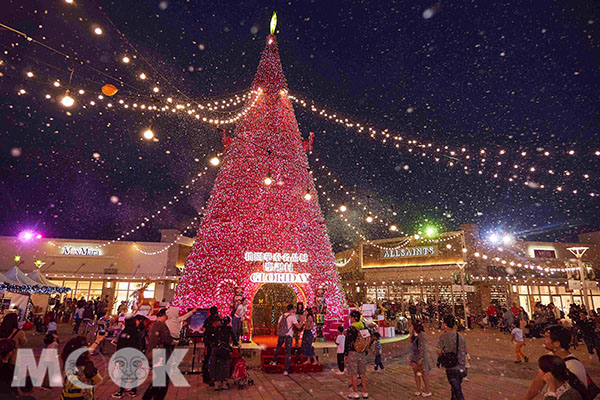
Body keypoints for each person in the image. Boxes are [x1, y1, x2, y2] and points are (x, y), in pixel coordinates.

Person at [524, 325, 588, 400]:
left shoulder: (573, 365)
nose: (544, 340)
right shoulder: (550, 357)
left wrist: (551, 391)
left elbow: (576, 395)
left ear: (557, 343)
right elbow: (538, 381)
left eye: (547, 337)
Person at [142, 308, 177, 400]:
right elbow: (167, 340)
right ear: (163, 315)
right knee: (162, 380)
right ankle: (152, 397)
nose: (167, 317)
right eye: (166, 315)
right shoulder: (162, 326)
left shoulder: (154, 325)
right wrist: (175, 342)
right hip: (161, 355)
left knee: (159, 378)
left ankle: (149, 397)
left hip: (154, 353)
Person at [60, 334, 105, 400]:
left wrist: (97, 341)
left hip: (66, 396)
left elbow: (86, 352)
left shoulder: (68, 361)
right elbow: (99, 381)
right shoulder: (87, 367)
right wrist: (94, 372)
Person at [112, 317, 146, 398]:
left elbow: (120, 345)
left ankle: (121, 392)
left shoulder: (125, 332)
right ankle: (133, 391)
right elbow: (140, 344)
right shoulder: (137, 332)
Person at [437, 315, 467, 400]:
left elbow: (439, 351)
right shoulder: (460, 336)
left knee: (457, 391)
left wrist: (443, 353)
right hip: (461, 365)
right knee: (455, 388)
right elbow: (465, 350)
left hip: (451, 366)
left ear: (445, 324)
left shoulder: (443, 337)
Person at [270, 304, 302, 376]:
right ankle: (286, 370)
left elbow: (278, 325)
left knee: (278, 347)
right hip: (288, 336)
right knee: (288, 353)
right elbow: (298, 326)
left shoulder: (282, 316)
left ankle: (274, 361)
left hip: (281, 335)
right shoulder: (292, 317)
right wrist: (302, 321)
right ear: (292, 309)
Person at [344, 310, 368, 399]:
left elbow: (347, 342)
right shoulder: (363, 326)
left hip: (353, 353)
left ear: (354, 318)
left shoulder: (351, 329)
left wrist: (345, 354)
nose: (350, 319)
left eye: (351, 317)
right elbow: (367, 340)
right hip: (362, 352)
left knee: (353, 373)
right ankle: (365, 392)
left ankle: (355, 392)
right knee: (362, 373)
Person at [210, 315, 234, 391]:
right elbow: (233, 338)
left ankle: (216, 384)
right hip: (225, 350)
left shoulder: (217, 329)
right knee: (225, 366)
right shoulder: (229, 329)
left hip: (217, 349)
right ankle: (224, 383)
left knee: (217, 366)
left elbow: (213, 339)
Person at [410, 319, 432, 397]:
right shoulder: (414, 335)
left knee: (423, 374)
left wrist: (420, 358)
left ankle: (428, 390)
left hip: (420, 356)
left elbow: (422, 347)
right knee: (416, 373)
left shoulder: (421, 335)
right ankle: (418, 389)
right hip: (414, 356)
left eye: (411, 326)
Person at [202, 306, 221, 385]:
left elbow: (204, 330)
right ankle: (214, 377)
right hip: (214, 343)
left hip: (208, 342)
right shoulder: (217, 320)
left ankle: (207, 376)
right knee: (214, 360)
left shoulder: (207, 320)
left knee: (207, 359)